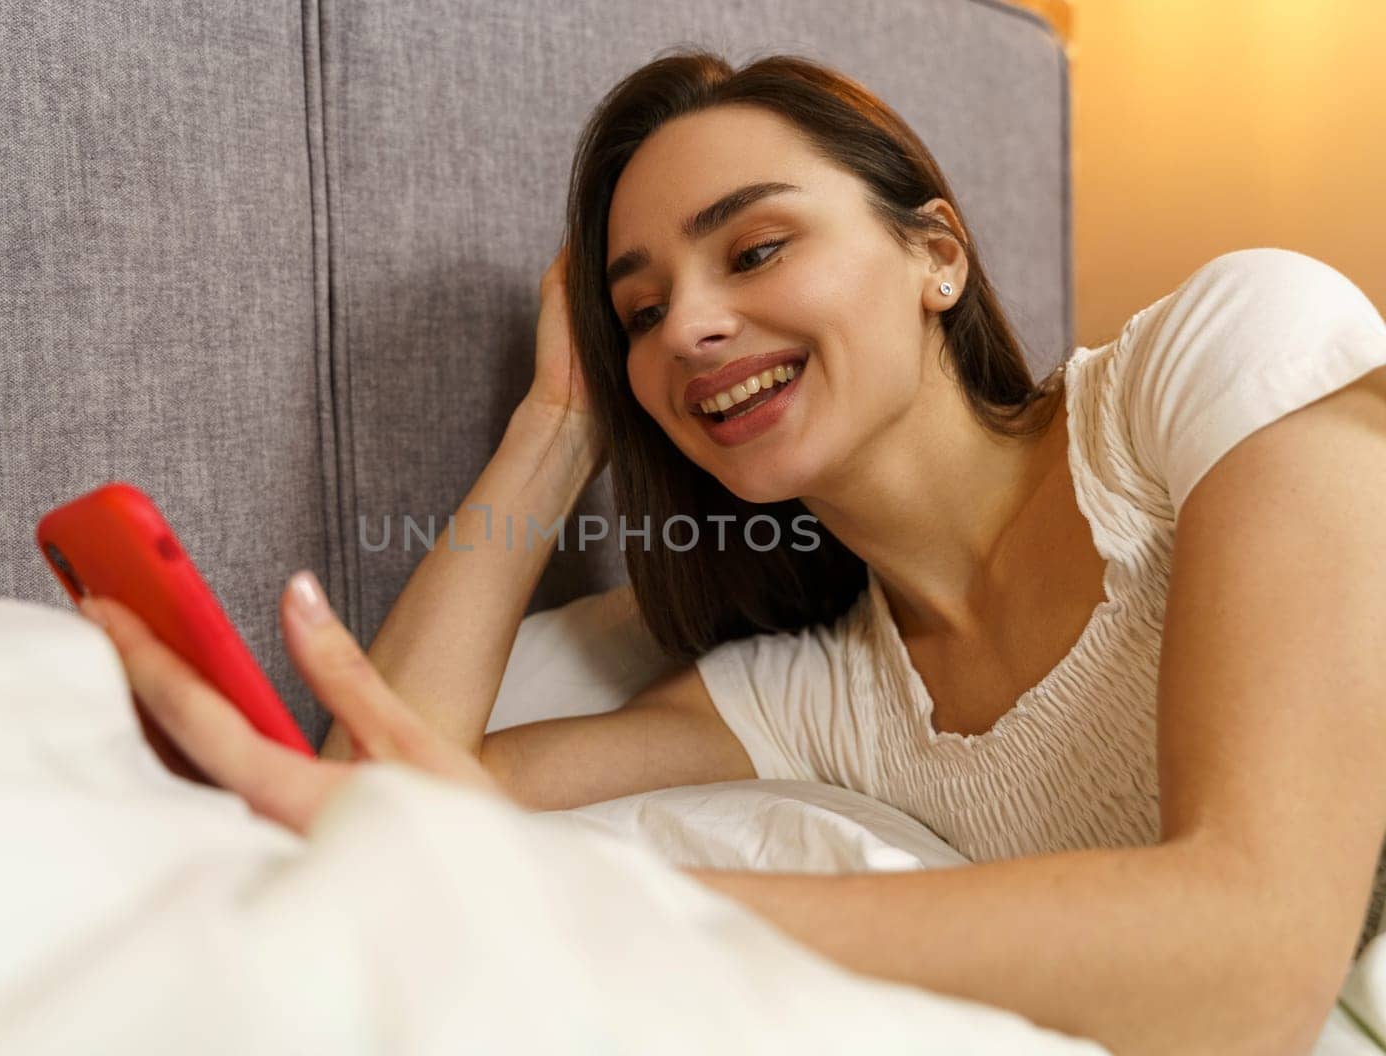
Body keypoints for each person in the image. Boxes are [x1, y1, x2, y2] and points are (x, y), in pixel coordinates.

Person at [80, 50, 1386, 1055]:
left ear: (935, 255)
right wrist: (553, 429)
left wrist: (579, 897)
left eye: (756, 249)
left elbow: (1257, 967)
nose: (691, 327)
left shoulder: (1213, 365)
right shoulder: (826, 697)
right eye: (638, 312)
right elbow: (389, 798)